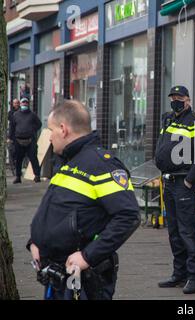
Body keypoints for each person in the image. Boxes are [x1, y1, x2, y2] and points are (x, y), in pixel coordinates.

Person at [27, 100, 140, 300]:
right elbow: (57, 211)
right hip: (58, 273)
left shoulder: (102, 165)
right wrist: (35, 242)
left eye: (51, 130)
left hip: (82, 278)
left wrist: (87, 256)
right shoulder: (69, 161)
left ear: (63, 129)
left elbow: (128, 216)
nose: (50, 137)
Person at [155, 85, 195, 294]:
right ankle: (179, 274)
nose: (175, 100)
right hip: (168, 182)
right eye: (173, 97)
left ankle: (194, 277)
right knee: (174, 231)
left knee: (187, 231)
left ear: (188, 99)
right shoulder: (169, 118)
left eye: (179, 97)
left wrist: (190, 180)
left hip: (182, 182)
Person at [9, 97, 42, 184]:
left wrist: (32, 129)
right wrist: (10, 138)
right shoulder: (15, 115)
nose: (24, 104)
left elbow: (39, 124)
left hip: (30, 140)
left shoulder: (32, 115)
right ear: (20, 104)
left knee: (33, 159)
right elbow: (12, 127)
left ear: (28, 104)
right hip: (18, 140)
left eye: (26, 103)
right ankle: (18, 177)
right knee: (18, 160)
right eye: (23, 103)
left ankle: (37, 176)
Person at [7, 99, 20, 175]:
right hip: (12, 135)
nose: (16, 104)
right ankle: (14, 167)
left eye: (17, 103)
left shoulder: (22, 112)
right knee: (12, 151)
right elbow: (11, 124)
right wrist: (9, 137)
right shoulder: (10, 113)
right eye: (15, 103)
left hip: (20, 135)